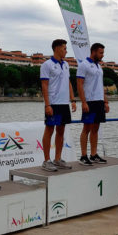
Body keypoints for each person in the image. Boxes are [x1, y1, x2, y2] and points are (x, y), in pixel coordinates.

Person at [40, 39, 76, 171]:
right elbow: (44, 85)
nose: (66, 51)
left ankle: (57, 158)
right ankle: (46, 160)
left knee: (61, 131)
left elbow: (69, 83)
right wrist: (47, 105)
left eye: (66, 48)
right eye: (64, 48)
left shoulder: (66, 64)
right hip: (53, 103)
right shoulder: (46, 65)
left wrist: (72, 100)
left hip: (63, 103)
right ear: (56, 49)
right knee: (49, 130)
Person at [77, 43, 109, 165]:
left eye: (103, 53)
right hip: (89, 102)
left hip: (99, 101)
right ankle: (83, 155)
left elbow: (101, 86)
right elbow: (79, 84)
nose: (102, 55)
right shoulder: (84, 65)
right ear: (94, 52)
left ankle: (94, 154)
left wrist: (105, 101)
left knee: (96, 128)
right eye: (101, 53)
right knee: (87, 128)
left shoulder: (99, 67)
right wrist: (83, 102)